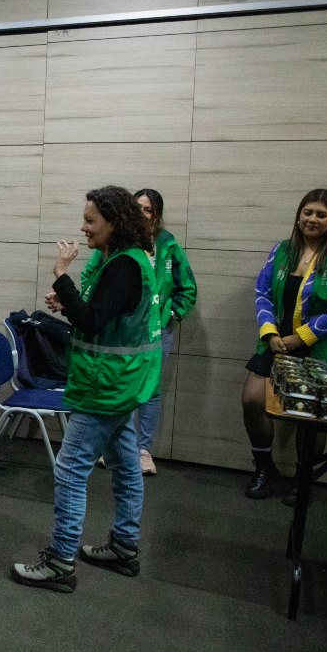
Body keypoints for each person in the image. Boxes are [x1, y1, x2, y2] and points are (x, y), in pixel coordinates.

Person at [12, 186, 161, 593]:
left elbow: (93, 321)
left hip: (104, 385)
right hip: (123, 381)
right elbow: (103, 314)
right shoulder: (129, 259)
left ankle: (60, 561)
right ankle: (124, 546)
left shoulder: (123, 266)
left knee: (71, 471)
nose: (84, 227)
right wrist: (68, 301)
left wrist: (61, 276)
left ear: (116, 222)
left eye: (91, 220)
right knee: (127, 466)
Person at [240, 189, 327, 500]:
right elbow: (262, 292)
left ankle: (303, 477)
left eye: (321, 214)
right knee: (252, 400)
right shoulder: (281, 251)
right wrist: (270, 333)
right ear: (298, 216)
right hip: (278, 342)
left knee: (313, 418)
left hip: (323, 347)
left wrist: (303, 337)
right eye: (308, 212)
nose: (312, 219)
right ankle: (264, 467)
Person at [131, 189, 196, 475]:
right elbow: (92, 277)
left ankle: (143, 450)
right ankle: (118, 447)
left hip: (159, 331)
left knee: (150, 390)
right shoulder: (121, 242)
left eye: (147, 210)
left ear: (157, 215)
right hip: (126, 331)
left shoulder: (168, 245)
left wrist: (172, 313)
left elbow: (188, 288)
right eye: (137, 208)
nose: (142, 214)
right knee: (123, 387)